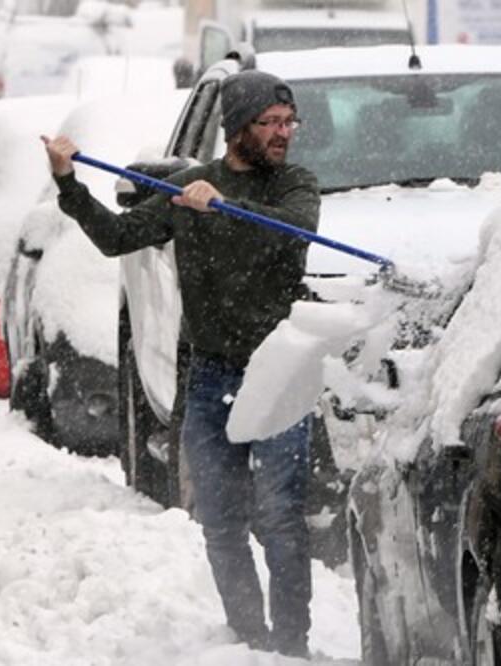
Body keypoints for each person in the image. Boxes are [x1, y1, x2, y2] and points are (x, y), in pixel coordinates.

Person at [41, 70, 320, 658]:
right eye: (268, 123)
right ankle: (249, 638)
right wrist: (70, 185)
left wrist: (225, 208)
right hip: (212, 375)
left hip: (279, 374)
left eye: (287, 121)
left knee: (280, 521)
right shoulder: (190, 190)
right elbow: (117, 237)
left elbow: (292, 234)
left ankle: (292, 647)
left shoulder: (296, 184)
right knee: (221, 522)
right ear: (236, 128)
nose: (282, 133)